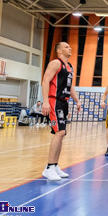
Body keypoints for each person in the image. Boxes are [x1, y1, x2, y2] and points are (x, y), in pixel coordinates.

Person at [41, 41, 82, 181]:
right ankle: (49, 167)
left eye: (70, 46)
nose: (70, 48)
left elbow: (70, 87)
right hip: (54, 100)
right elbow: (45, 81)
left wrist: (77, 100)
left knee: (61, 133)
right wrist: (45, 101)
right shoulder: (55, 63)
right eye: (66, 47)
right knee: (60, 132)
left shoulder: (70, 66)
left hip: (64, 102)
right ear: (59, 51)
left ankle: (55, 165)